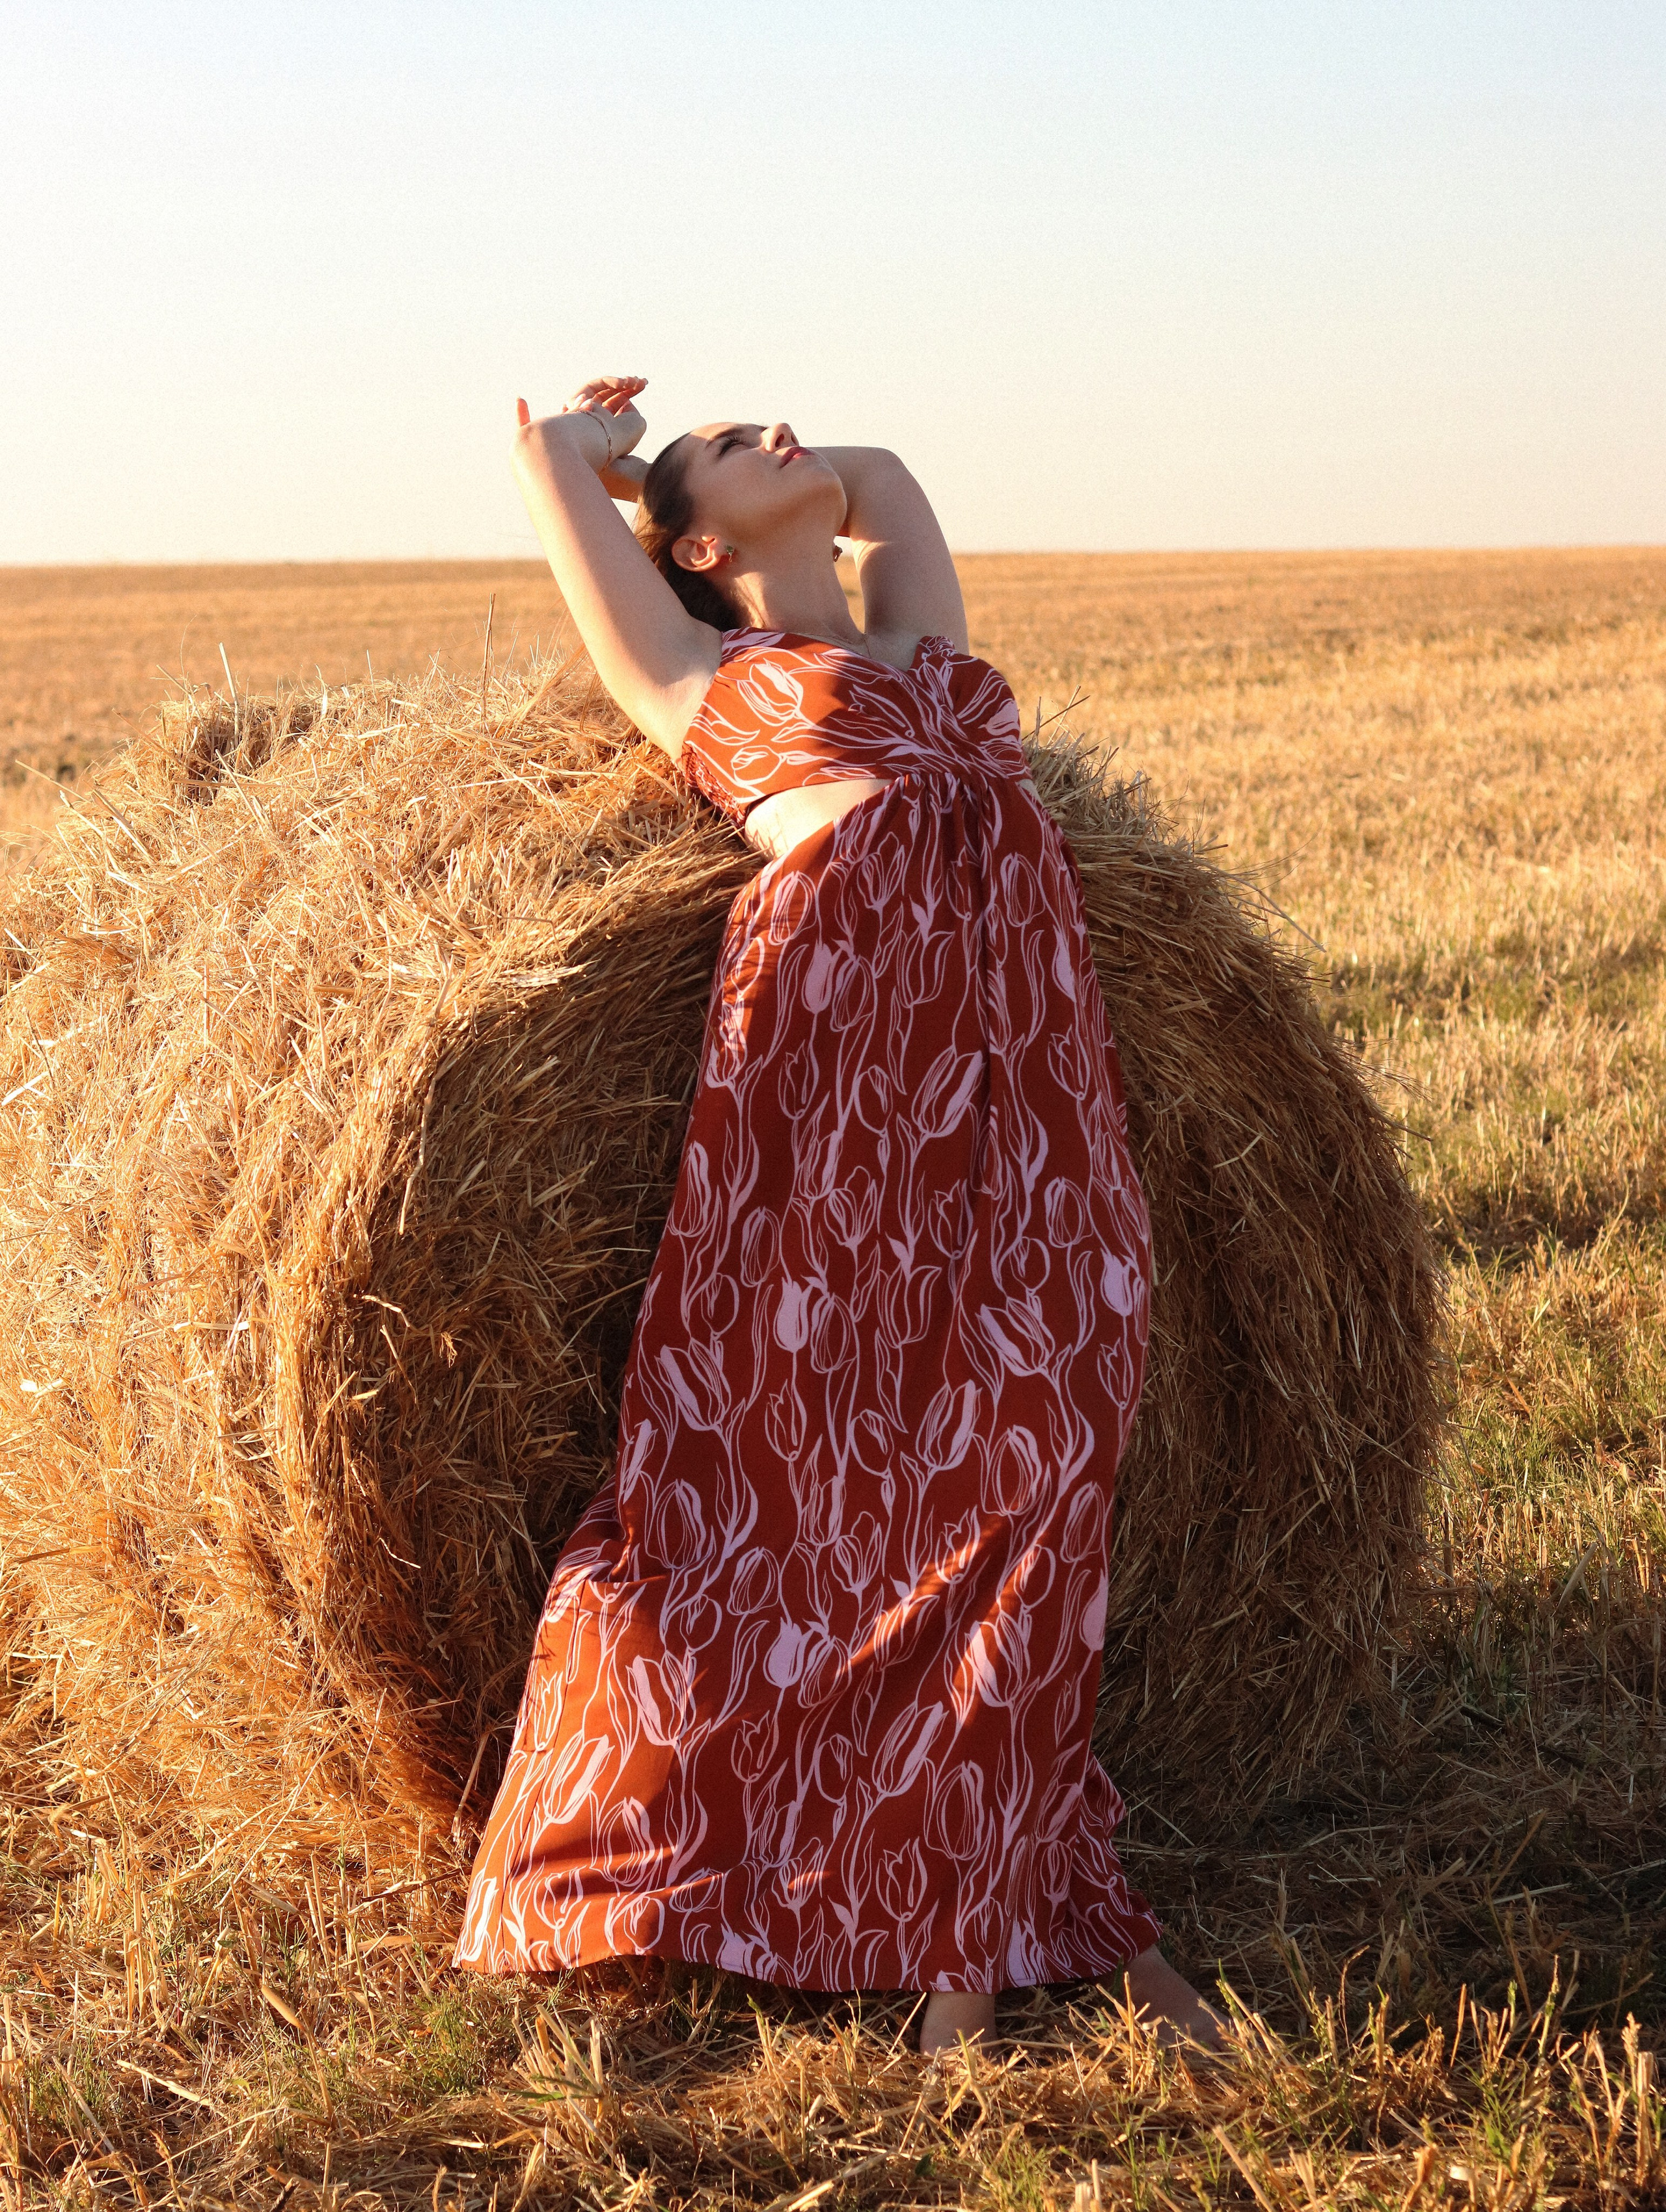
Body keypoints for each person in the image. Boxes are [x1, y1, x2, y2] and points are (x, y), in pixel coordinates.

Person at [454, 375, 1223, 2058]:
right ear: (707, 547)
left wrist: (736, 468)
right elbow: (554, 489)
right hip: (835, 1141)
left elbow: (887, 478)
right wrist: (603, 460)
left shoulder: (920, 644)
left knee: (1048, 1453)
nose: (786, 428)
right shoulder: (705, 682)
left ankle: (979, 1900)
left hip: (1035, 1113)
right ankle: (953, 1941)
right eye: (741, 442)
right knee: (814, 1494)